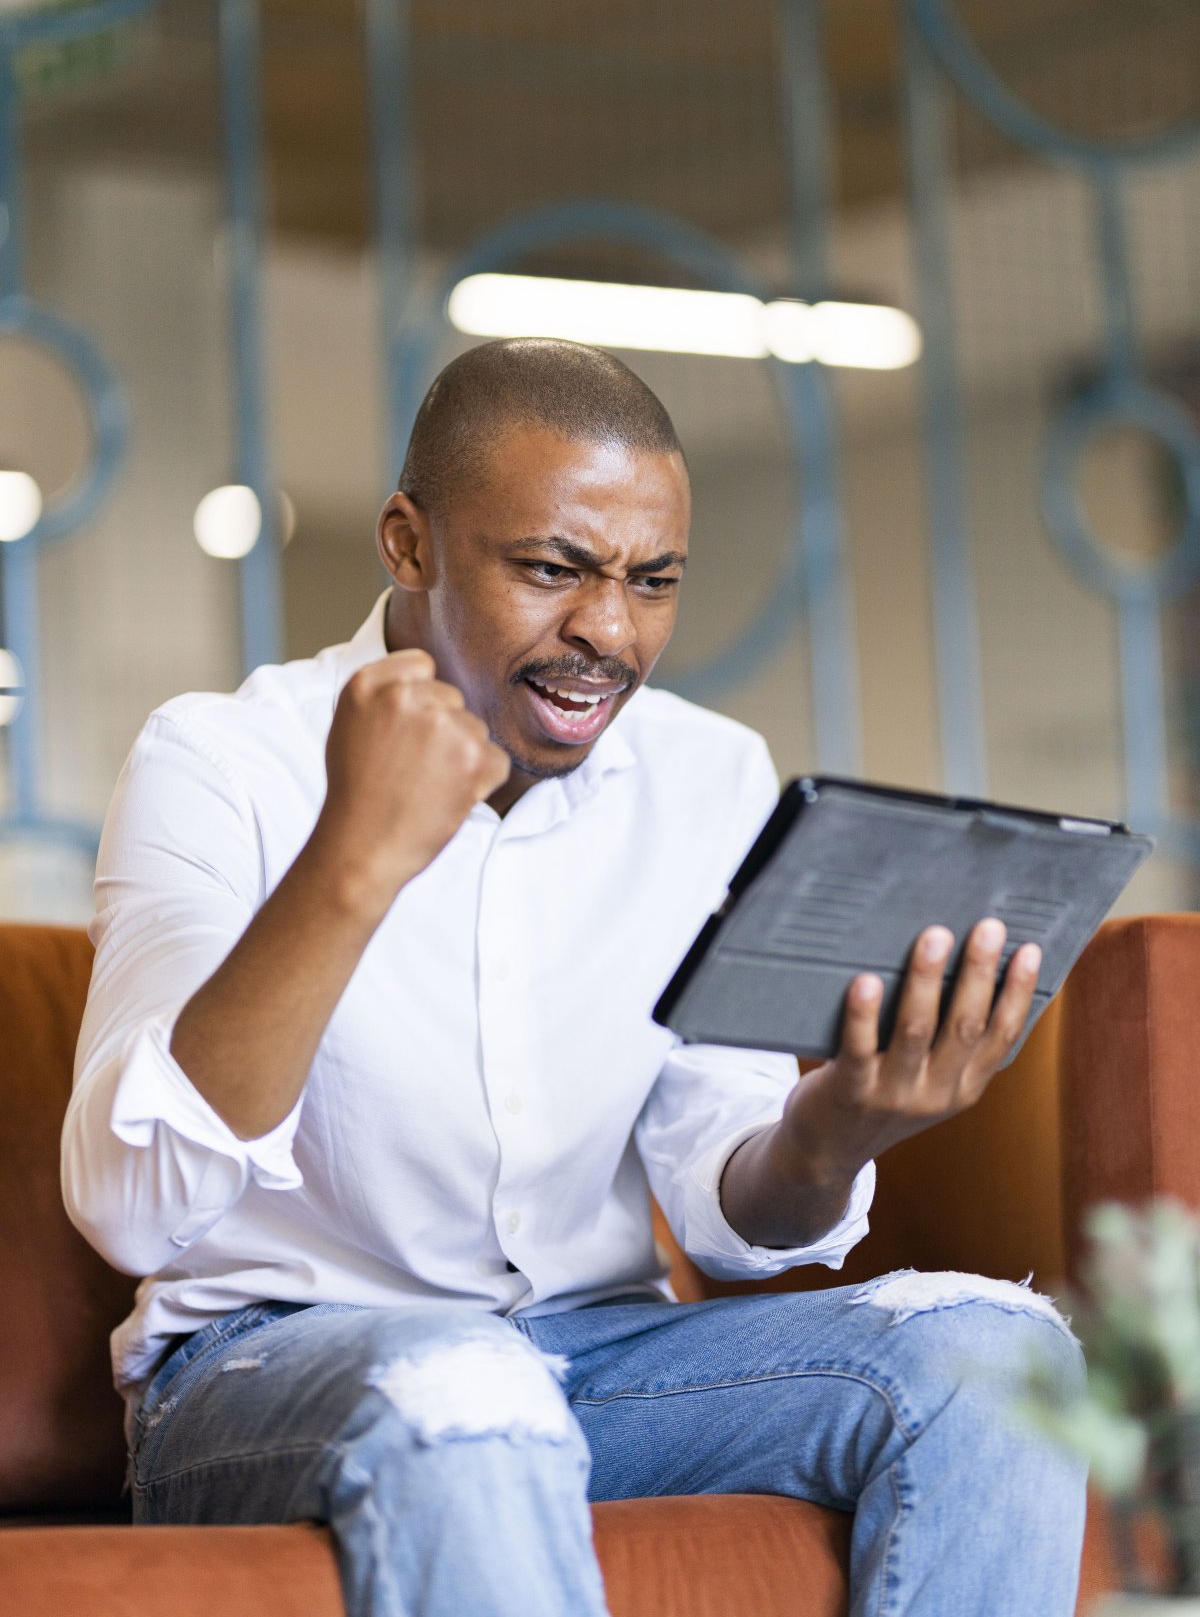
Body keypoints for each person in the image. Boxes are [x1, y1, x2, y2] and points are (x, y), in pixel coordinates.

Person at [63, 338, 1085, 1617]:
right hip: (265, 1368)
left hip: (599, 1358)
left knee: (1001, 1356)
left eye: (652, 581)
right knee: (466, 1381)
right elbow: (130, 1207)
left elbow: (727, 1195)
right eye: (552, 569)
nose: (607, 631)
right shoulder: (222, 762)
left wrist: (837, 1127)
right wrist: (352, 862)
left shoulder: (708, 776)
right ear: (407, 543)